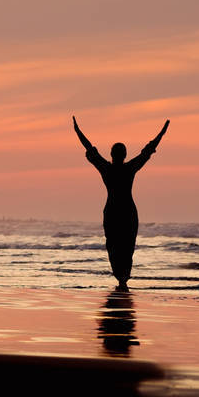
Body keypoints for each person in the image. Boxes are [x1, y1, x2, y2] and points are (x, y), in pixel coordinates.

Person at [72, 116, 170, 290]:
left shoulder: (107, 168)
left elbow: (90, 148)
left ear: (113, 154)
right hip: (126, 211)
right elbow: (147, 151)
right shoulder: (128, 168)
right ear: (123, 155)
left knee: (115, 245)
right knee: (125, 245)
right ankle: (122, 278)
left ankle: (121, 277)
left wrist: (78, 131)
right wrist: (162, 133)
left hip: (113, 211)